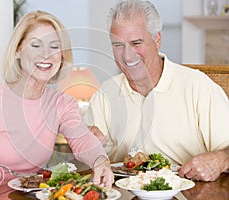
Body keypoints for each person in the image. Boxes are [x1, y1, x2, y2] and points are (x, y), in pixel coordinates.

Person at [0, 10, 114, 199]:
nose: (46, 55)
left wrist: (101, 161)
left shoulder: (62, 103)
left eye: (54, 46)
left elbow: (81, 138)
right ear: (19, 50)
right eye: (36, 45)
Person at [84, 0, 229, 182]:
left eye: (136, 43)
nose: (127, 55)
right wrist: (87, 145)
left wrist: (221, 159)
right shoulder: (105, 94)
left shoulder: (199, 87)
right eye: (118, 45)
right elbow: (90, 156)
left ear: (157, 39)